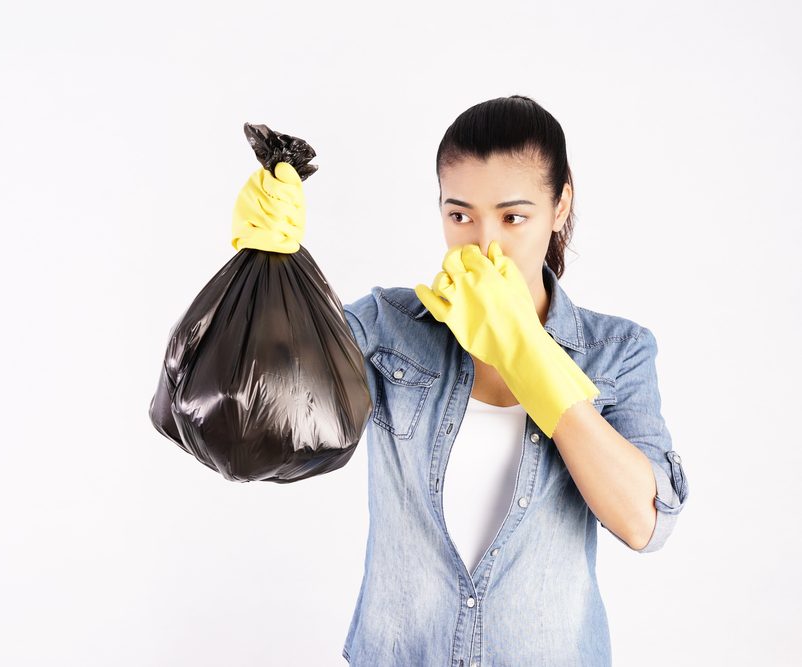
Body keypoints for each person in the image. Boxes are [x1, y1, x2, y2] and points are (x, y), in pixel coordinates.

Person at [230, 95, 690, 667]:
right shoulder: (387, 328)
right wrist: (270, 270)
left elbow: (644, 523)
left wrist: (526, 356)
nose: (484, 243)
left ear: (560, 204)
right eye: (460, 215)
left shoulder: (618, 353)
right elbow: (255, 418)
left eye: (513, 217)